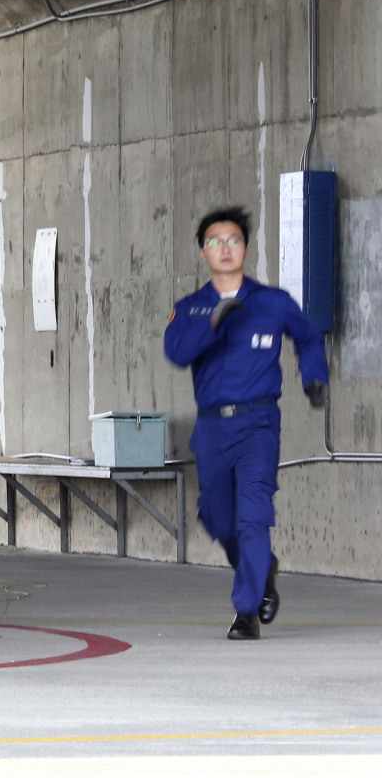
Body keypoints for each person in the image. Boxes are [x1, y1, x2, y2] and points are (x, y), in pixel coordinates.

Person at [163, 206, 327, 640]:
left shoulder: (272, 303)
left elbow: (308, 337)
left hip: (258, 424)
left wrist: (314, 376)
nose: (225, 248)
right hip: (213, 428)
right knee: (219, 517)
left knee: (253, 516)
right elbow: (178, 353)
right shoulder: (191, 309)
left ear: (246, 248)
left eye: (233, 240)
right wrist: (215, 322)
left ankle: (246, 610)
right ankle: (261, 569)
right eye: (215, 241)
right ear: (203, 253)